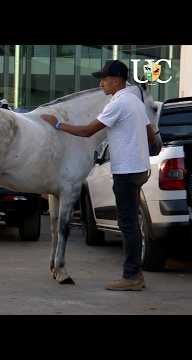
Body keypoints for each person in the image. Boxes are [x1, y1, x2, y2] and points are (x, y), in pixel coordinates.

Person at [40, 60, 158, 291]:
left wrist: (58, 124)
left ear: (116, 80)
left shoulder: (117, 103)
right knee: (132, 222)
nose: (101, 83)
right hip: (139, 169)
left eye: (104, 79)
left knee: (128, 224)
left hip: (125, 171)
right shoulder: (134, 101)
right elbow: (151, 135)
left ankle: (132, 276)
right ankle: (135, 274)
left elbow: (87, 131)